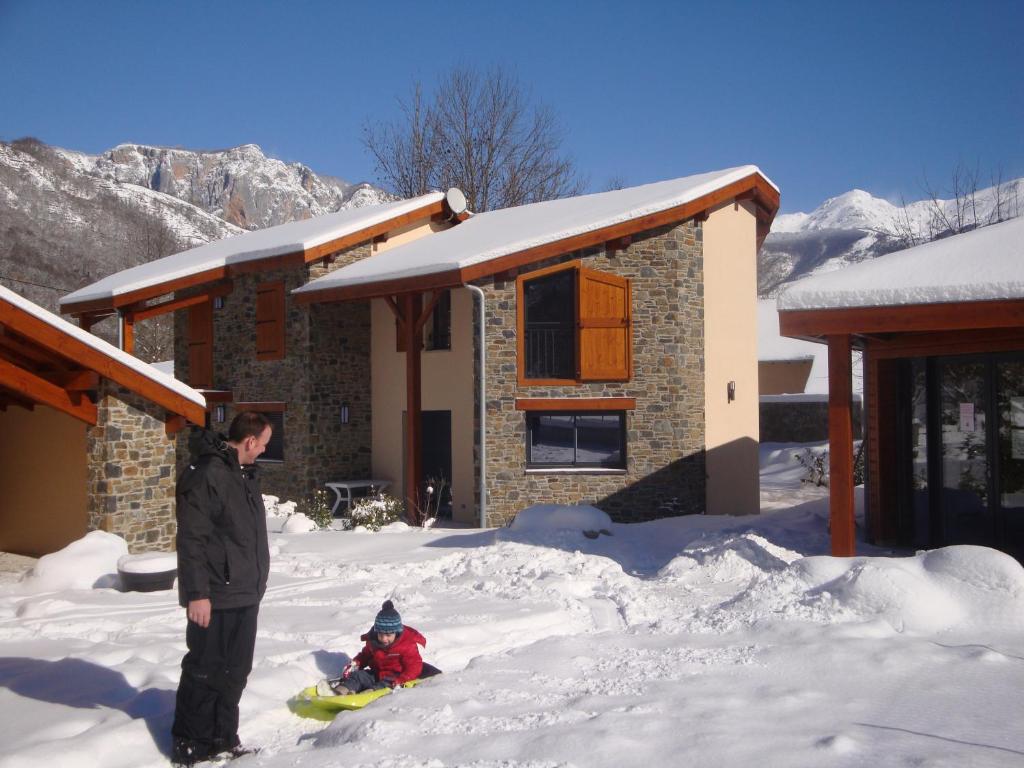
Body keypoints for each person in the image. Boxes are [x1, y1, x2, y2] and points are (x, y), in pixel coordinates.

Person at [171, 412, 272, 767]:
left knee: (235, 671)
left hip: (245, 592)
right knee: (205, 668)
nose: (262, 450)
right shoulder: (208, 475)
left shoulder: (241, 475)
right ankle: (191, 744)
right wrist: (197, 593)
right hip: (214, 595)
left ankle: (223, 738)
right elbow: (192, 540)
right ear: (249, 441)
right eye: (263, 444)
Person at [317, 601, 427, 696]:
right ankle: (339, 692)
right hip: (376, 673)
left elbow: (414, 667)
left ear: (396, 633)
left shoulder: (406, 644)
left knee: (386, 684)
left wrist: (401, 680)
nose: (384, 639)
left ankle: (367, 694)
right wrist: (356, 663)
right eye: (381, 634)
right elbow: (365, 655)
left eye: (388, 635)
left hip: (395, 677)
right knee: (358, 676)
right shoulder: (374, 642)